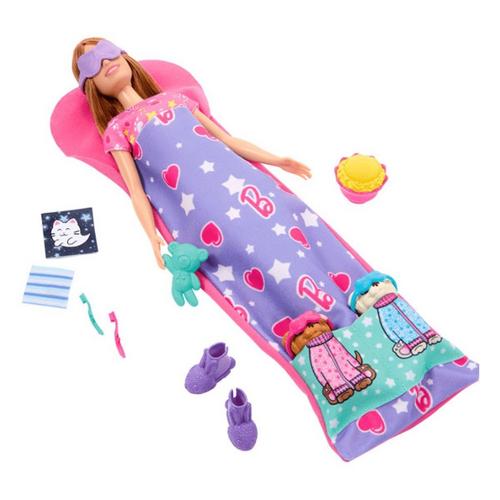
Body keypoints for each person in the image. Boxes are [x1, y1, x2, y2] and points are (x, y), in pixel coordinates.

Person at [72, 37, 370, 357]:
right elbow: (136, 190)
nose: (105, 63)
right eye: (93, 64)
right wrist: (152, 236)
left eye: (107, 53)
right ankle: (319, 334)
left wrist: (277, 160)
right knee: (261, 262)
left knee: (293, 241)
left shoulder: (176, 100)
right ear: (91, 86)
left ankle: (354, 309)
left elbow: (228, 141)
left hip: (248, 187)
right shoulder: (119, 129)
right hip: (207, 211)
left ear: (125, 57)